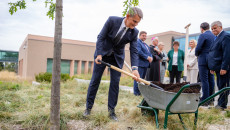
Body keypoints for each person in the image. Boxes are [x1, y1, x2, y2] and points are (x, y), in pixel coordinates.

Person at [83, 7, 143, 120]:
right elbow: (101, 37)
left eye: (138, 23)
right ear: (127, 16)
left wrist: (135, 68)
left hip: (116, 58)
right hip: (102, 55)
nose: (135, 25)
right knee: (95, 80)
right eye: (134, 21)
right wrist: (99, 54)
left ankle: (111, 112)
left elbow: (134, 50)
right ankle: (88, 108)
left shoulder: (134, 32)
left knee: (115, 84)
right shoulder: (112, 20)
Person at [208, 21, 230, 110]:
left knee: (223, 86)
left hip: (223, 67)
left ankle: (222, 105)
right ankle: (220, 104)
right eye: (212, 29)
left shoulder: (225, 36)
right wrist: (212, 67)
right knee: (220, 86)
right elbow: (215, 52)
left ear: (220, 27)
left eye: (215, 28)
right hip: (217, 67)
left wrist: (224, 67)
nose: (213, 30)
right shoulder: (217, 37)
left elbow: (227, 53)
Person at [195, 22, 215, 106]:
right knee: (211, 78)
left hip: (203, 59)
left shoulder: (203, 35)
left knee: (204, 80)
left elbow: (198, 47)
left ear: (201, 29)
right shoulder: (214, 35)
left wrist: (196, 54)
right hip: (212, 59)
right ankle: (211, 98)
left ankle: (205, 99)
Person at [133, 31, 152, 96]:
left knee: (142, 79)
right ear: (139, 36)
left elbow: (149, 53)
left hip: (145, 64)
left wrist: (151, 57)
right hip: (140, 64)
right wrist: (147, 57)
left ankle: (140, 92)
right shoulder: (138, 42)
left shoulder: (146, 45)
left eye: (145, 36)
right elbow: (139, 51)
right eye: (143, 35)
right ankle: (136, 93)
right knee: (138, 78)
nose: (144, 37)